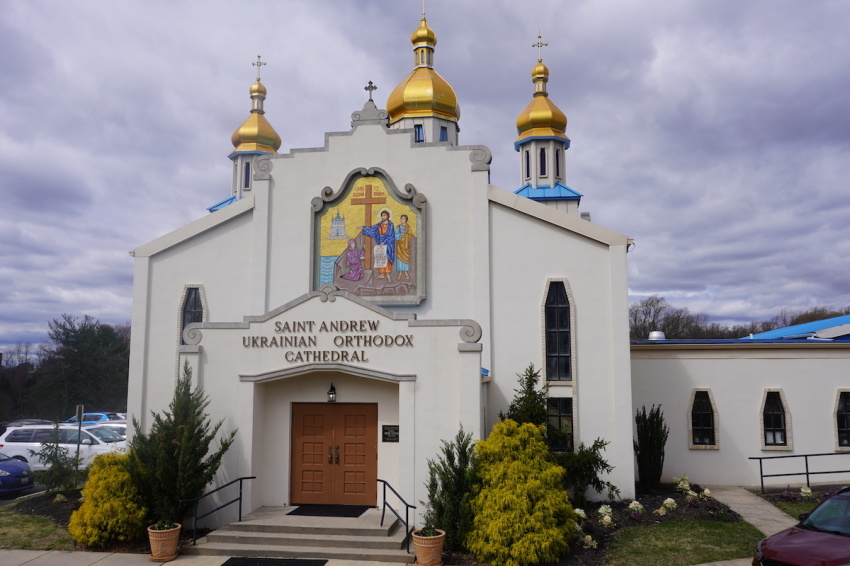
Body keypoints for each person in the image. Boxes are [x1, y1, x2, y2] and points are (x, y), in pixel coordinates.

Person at [362, 210, 395, 282]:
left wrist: (385, 242)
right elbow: (372, 230)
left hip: (388, 244)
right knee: (381, 258)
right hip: (380, 243)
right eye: (382, 215)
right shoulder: (379, 224)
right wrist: (364, 228)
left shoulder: (391, 225)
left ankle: (388, 275)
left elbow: (391, 236)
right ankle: (382, 274)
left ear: (388, 216)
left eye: (384, 215)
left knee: (387, 259)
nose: (383, 217)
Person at [394, 214, 413, 280]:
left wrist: (406, 236)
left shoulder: (408, 227)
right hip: (400, 245)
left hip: (406, 245)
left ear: (406, 220)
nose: (402, 220)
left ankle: (406, 272)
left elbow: (410, 235)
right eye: (401, 219)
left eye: (403, 219)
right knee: (399, 258)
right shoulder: (398, 227)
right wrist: (401, 235)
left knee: (406, 259)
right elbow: (396, 235)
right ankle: (400, 272)